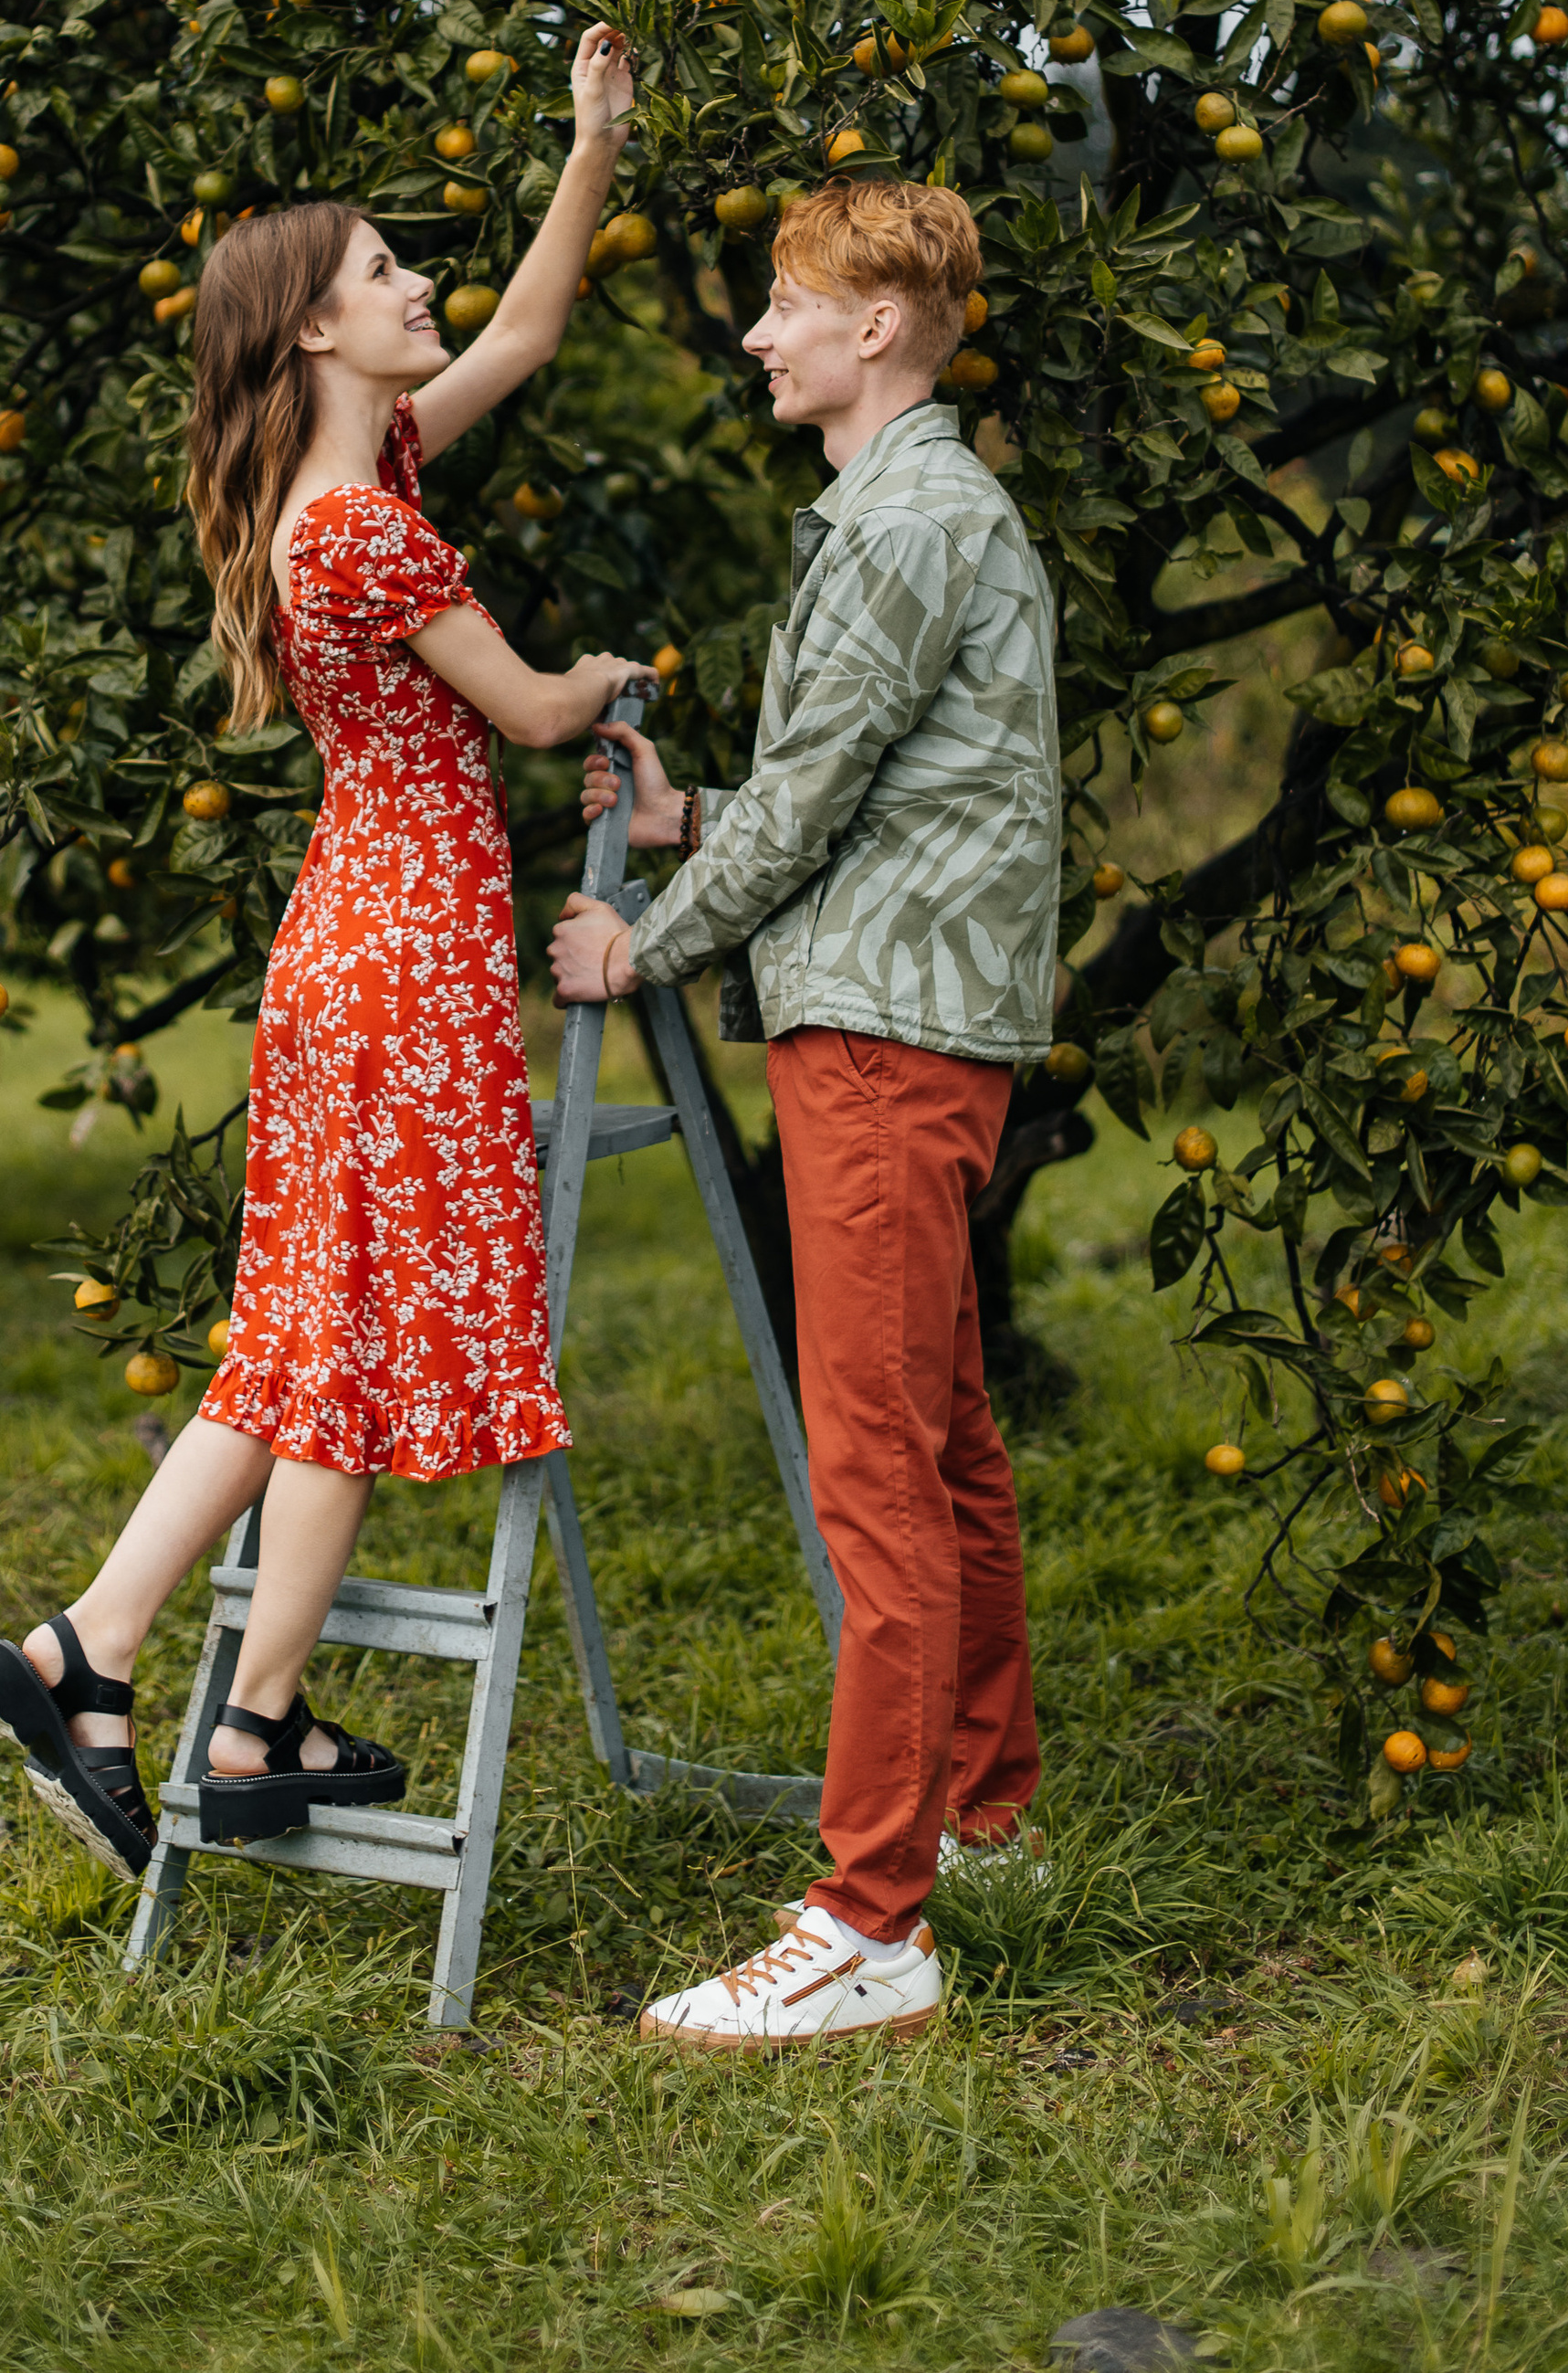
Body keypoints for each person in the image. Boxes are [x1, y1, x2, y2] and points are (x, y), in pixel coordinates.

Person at [0, 25, 650, 1875]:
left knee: (307, 1334)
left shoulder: (351, 488)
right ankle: (185, 1688)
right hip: (403, 952)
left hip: (354, 939)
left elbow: (527, 331)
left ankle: (123, 1669)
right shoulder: (365, 536)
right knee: (336, 1340)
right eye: (386, 270)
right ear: (315, 332)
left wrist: (592, 143)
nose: (423, 287)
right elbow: (527, 709)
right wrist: (607, 679)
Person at [549, 175, 1061, 2051]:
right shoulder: (915, 509)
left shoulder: (909, 518)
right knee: (941, 1436)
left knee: (875, 1471)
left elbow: (829, 779)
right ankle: (984, 1815)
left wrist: (646, 938)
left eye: (786, 304)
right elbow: (878, 777)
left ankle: (869, 1922)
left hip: (883, 1033)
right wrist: (696, 817)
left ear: (876, 326)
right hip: (913, 1010)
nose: (759, 335)